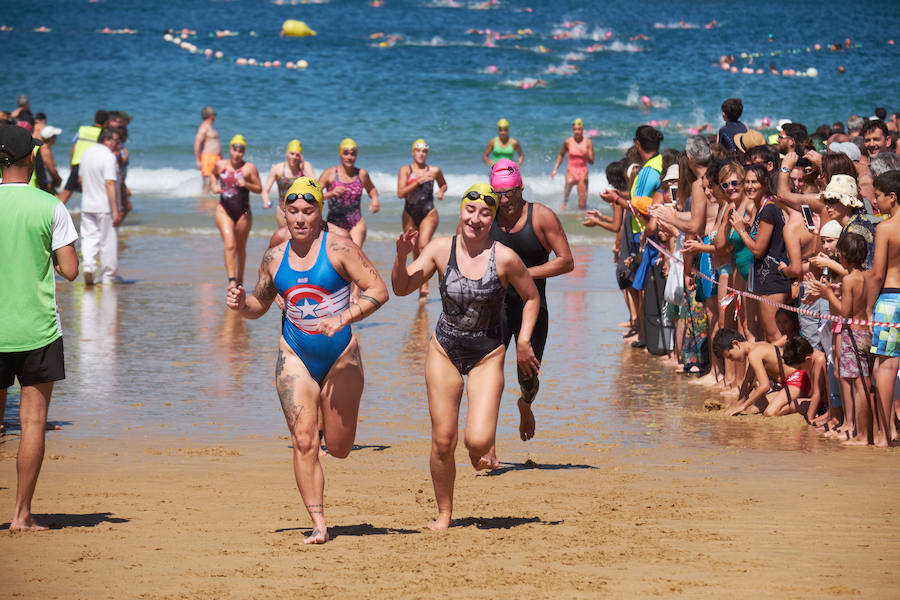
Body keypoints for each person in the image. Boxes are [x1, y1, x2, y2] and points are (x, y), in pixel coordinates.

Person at [226, 177, 388, 544]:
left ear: (319, 213)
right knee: (303, 440)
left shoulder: (341, 249)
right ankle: (319, 524)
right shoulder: (274, 257)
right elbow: (259, 304)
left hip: (341, 356)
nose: (300, 218)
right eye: (293, 211)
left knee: (340, 447)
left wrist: (344, 317)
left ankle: (333, 437)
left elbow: (379, 291)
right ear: (284, 213)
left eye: (308, 211)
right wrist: (240, 305)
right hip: (294, 355)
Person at [391, 183, 540, 531]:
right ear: (460, 211)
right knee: (443, 441)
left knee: (477, 442)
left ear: (494, 219)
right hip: (444, 349)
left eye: (485, 213)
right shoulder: (441, 249)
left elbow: (531, 298)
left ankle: (483, 448)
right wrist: (401, 259)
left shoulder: (504, 258)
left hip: (487, 354)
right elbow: (401, 287)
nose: (476, 219)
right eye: (470, 210)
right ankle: (444, 513)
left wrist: (524, 341)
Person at [0, 124, 79, 530]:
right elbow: (70, 270)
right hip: (38, 330)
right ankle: (21, 515)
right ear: (30, 159)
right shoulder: (50, 206)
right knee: (32, 423)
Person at [488, 159, 573, 444]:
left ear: (521, 188)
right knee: (487, 374)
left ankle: (525, 405)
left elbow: (566, 261)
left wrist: (523, 274)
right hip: (495, 308)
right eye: (499, 193)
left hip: (532, 307)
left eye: (510, 192)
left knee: (528, 380)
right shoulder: (487, 216)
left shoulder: (541, 217)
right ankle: (486, 441)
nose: (504, 200)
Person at [806, 233, 873, 445]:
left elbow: (844, 312)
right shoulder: (867, 275)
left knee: (858, 386)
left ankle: (860, 434)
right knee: (862, 384)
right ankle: (859, 431)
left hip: (852, 335)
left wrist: (828, 294)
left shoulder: (850, 279)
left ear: (842, 255)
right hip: (866, 334)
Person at [866, 170, 900, 447]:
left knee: (886, 367)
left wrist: (867, 308)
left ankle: (884, 434)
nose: (874, 202)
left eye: (878, 196)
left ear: (893, 197)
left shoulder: (886, 228)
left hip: (890, 299)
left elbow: (877, 274)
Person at [396, 138, 447, 299]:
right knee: (413, 248)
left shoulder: (434, 171)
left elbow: (443, 184)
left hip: (429, 213)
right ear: (413, 152)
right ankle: (419, 284)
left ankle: (424, 284)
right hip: (409, 213)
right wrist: (418, 181)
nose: (421, 154)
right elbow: (400, 193)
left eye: (424, 151)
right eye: (418, 150)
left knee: (423, 245)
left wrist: (441, 191)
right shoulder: (406, 170)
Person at [211, 134, 262, 289]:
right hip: (223, 210)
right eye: (235, 150)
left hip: (243, 213)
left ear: (244, 152)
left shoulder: (249, 168)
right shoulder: (220, 164)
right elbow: (213, 174)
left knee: (240, 248)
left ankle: (240, 280)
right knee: (230, 245)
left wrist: (246, 184)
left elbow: (259, 188)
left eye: (241, 151)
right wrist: (213, 186)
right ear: (230, 150)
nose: (237, 153)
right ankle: (231, 280)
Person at [78, 127, 123, 285]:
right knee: (108, 241)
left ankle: (88, 267)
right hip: (105, 206)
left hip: (87, 204)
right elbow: (109, 182)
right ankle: (108, 276)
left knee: (89, 238)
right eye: (115, 140)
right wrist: (116, 210)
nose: (117, 144)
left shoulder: (86, 154)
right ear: (107, 140)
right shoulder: (108, 156)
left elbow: (80, 180)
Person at [318, 138, 380, 248]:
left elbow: (371, 189)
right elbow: (314, 195)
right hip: (333, 223)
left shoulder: (361, 174)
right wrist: (331, 193)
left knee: (354, 252)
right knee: (335, 255)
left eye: (353, 154)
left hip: (356, 222)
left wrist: (375, 199)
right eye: (345, 153)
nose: (349, 157)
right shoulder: (329, 174)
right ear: (340, 154)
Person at [262, 139, 314, 227]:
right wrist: (267, 201)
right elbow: (265, 191)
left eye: (297, 155)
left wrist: (303, 170)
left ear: (301, 156)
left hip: (302, 211)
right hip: (283, 210)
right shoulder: (277, 169)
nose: (294, 157)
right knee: (285, 234)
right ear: (286, 153)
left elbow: (315, 186)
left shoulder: (306, 166)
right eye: (291, 154)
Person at [60, 109, 106, 205]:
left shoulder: (82, 130)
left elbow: (73, 150)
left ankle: (54, 212)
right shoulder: (104, 134)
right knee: (92, 194)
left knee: (66, 193)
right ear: (107, 122)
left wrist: (71, 165)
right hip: (91, 166)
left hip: (77, 163)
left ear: (95, 119)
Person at [551, 118, 594, 210]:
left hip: (583, 172)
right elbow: (561, 155)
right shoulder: (568, 141)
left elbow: (591, 162)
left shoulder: (588, 142)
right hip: (571, 169)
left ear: (582, 130)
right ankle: (565, 201)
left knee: (582, 205)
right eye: (574, 129)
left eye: (579, 129)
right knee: (569, 181)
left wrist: (585, 155)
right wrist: (555, 169)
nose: (577, 132)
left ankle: (582, 215)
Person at [194, 106, 221, 195]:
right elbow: (197, 143)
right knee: (208, 182)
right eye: (215, 114)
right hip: (208, 158)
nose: (215, 116)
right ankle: (204, 201)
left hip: (216, 158)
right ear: (210, 115)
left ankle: (209, 201)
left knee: (214, 181)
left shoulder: (210, 127)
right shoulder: (204, 127)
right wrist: (198, 160)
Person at [39, 125, 63, 196]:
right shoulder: (46, 151)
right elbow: (52, 169)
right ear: (50, 138)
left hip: (43, 180)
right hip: (48, 182)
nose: (56, 138)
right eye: (54, 136)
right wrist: (59, 179)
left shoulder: (40, 148)